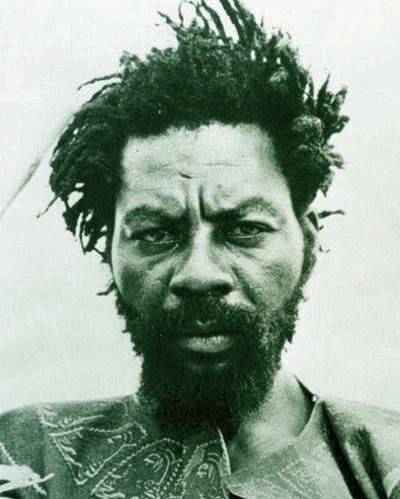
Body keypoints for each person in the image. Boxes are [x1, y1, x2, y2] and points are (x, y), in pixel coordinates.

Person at [1, 1, 399, 497]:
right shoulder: (22, 460)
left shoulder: (385, 462)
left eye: (245, 229)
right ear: (109, 252)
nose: (199, 273)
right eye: (156, 234)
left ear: (308, 244)